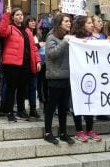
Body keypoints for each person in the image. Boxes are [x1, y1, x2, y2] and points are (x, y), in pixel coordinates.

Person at [0, 7, 41, 122]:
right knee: (11, 89)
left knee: (22, 89)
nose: (20, 16)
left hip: (25, 64)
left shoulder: (27, 31)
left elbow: (33, 48)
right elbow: (1, 31)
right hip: (12, 64)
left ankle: (21, 110)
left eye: (21, 14)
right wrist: (6, 15)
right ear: (12, 17)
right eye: (17, 15)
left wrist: (38, 60)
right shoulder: (10, 28)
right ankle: (9, 111)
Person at [43, 13, 75, 145]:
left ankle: (63, 133)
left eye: (69, 21)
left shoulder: (67, 37)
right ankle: (48, 132)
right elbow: (52, 54)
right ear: (59, 23)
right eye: (66, 21)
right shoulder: (52, 37)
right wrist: (64, 42)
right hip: (55, 77)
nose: (69, 23)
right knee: (52, 106)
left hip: (67, 77)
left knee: (63, 107)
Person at [70, 16, 102, 142]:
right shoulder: (74, 39)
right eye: (89, 23)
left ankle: (90, 129)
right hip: (78, 76)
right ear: (82, 25)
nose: (91, 25)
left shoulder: (94, 38)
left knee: (90, 101)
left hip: (92, 75)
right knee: (78, 102)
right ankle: (79, 130)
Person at [24, 16, 41, 119]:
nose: (33, 23)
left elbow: (34, 49)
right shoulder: (25, 32)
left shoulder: (36, 35)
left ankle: (33, 109)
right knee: (24, 87)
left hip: (34, 63)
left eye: (34, 21)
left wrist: (38, 60)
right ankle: (21, 109)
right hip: (26, 64)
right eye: (31, 21)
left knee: (33, 87)